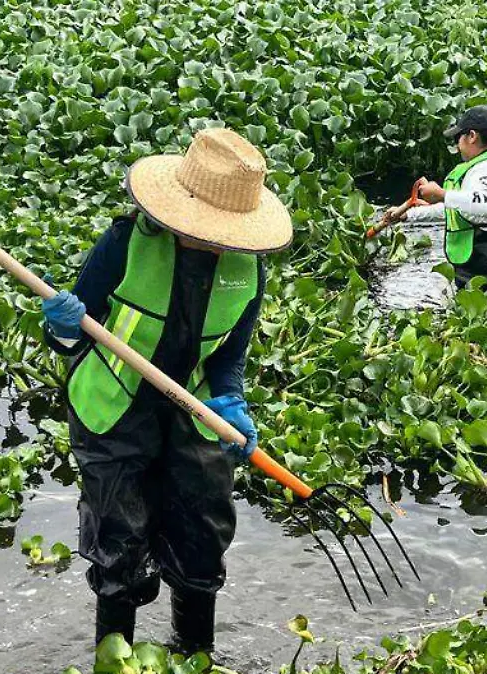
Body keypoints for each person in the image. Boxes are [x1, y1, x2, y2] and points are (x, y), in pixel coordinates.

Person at [40, 128, 292, 654]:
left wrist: (233, 404)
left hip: (192, 411)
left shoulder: (247, 270)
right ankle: (117, 660)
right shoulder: (126, 243)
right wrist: (64, 324)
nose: (214, 238)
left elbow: (228, 359)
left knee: (203, 533)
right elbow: (68, 337)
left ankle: (193, 655)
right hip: (112, 408)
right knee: (119, 540)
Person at [387, 105, 487, 321]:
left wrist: (442, 194)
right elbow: (465, 210)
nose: (457, 147)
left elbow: (486, 205)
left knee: (480, 322)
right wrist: (410, 215)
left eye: (457, 139)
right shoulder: (486, 166)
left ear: (471, 136)